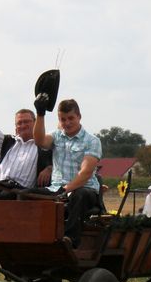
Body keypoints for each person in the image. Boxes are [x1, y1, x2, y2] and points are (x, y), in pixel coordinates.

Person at [33, 98, 102, 247]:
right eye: (63, 119)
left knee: (79, 195)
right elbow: (39, 141)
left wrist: (65, 190)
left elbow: (86, 173)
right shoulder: (56, 136)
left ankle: (69, 240)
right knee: (25, 195)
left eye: (71, 118)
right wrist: (40, 114)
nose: (67, 123)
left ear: (79, 116)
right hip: (56, 189)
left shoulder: (92, 141)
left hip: (85, 190)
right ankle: (31, 236)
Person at [0, 101, 52, 199]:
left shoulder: (44, 145)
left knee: (8, 195)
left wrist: (50, 168)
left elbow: (61, 159)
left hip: (20, 192)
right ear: (16, 127)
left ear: (35, 122)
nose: (23, 125)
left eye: (26, 121)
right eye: (19, 123)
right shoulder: (7, 142)